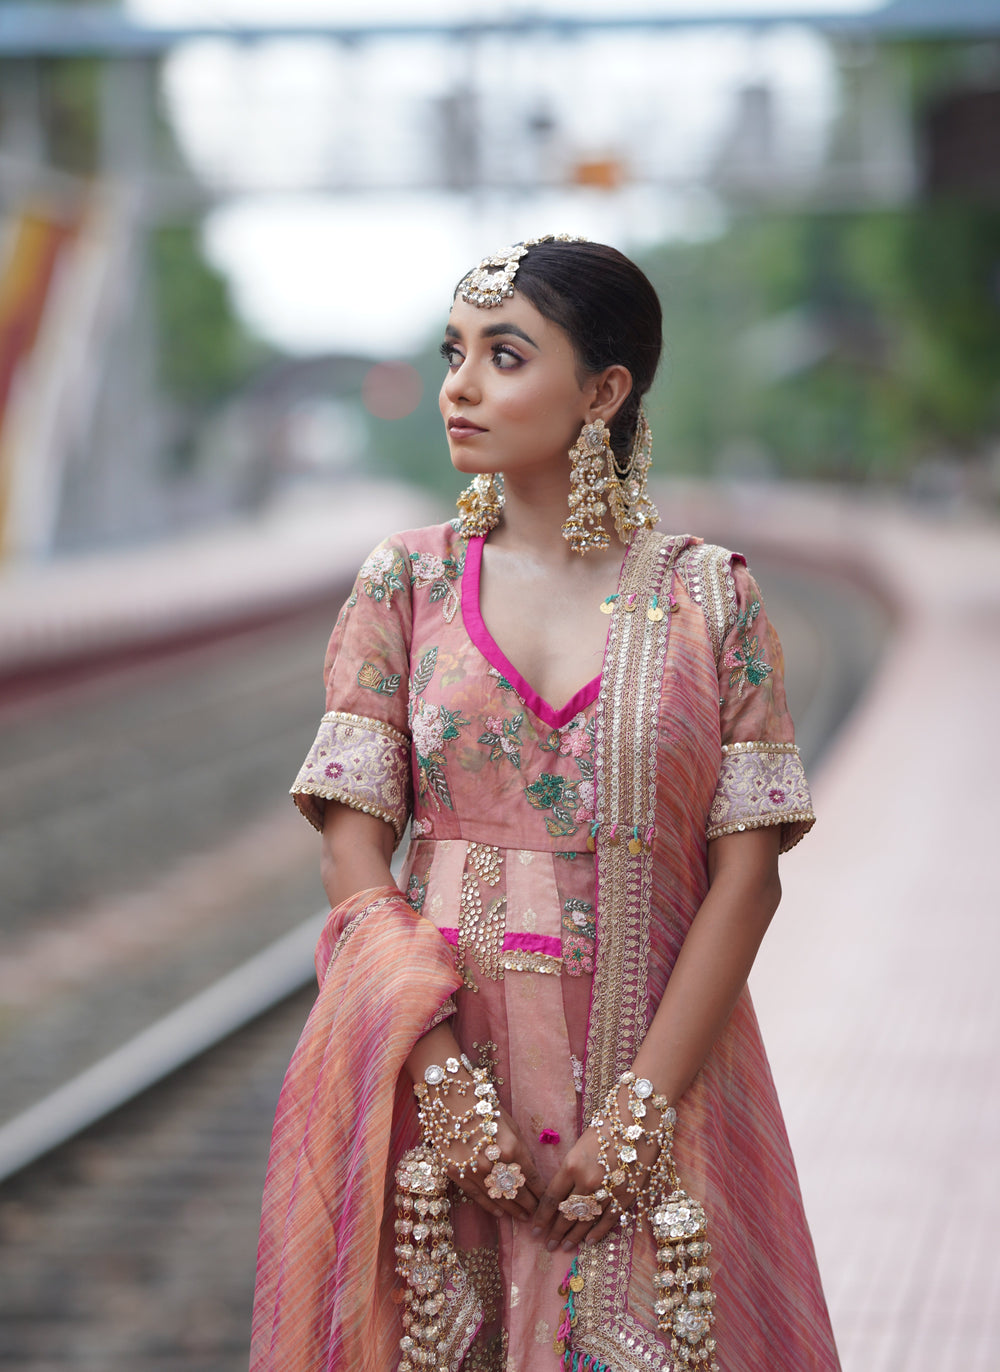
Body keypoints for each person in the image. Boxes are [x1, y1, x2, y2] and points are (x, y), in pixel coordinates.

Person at [250, 236, 841, 1372]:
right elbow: (351, 849)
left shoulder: (711, 599)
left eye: (504, 356)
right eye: (452, 353)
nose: (459, 388)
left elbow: (749, 875)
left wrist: (639, 1117)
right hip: (436, 1087)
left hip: (665, 1082)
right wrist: (446, 1091)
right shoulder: (404, 583)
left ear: (603, 392)